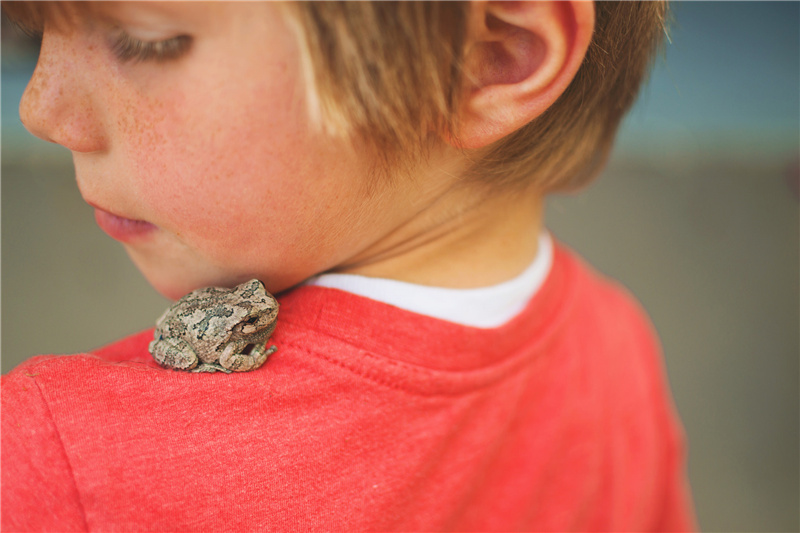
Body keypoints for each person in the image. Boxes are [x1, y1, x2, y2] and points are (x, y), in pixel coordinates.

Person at [1, 1, 696, 530]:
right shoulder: (620, 344)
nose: (39, 108)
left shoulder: (51, 458)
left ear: (489, 57)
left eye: (147, 40)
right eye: (36, 35)